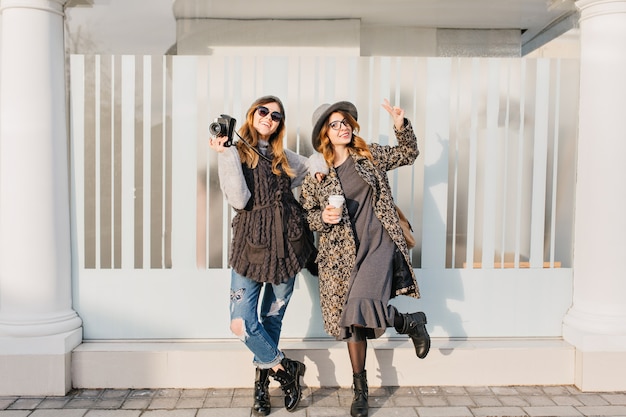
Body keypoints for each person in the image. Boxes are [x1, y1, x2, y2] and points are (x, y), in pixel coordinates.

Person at [299, 99, 430, 417]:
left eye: (345, 122)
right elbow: (306, 215)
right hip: (338, 255)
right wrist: (324, 219)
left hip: (378, 243)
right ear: (324, 134)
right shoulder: (318, 172)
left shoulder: (368, 154)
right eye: (334, 124)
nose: (342, 127)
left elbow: (407, 154)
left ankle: (407, 325)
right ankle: (363, 389)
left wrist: (401, 124)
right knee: (352, 322)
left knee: (358, 306)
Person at [208, 95, 321, 415]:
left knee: (272, 320)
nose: (269, 118)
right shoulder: (235, 152)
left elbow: (312, 166)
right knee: (241, 322)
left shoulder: (283, 156)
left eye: (276, 116)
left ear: (279, 125)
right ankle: (286, 370)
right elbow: (240, 200)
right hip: (250, 249)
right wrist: (226, 153)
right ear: (251, 114)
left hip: (288, 247)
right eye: (263, 111)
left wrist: (323, 164)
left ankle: (261, 386)